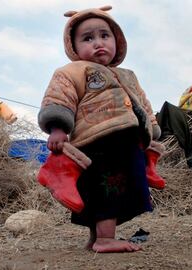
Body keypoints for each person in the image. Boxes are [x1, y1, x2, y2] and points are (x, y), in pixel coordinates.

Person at [37, 6, 163, 253]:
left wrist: (152, 128)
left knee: (118, 187)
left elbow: (142, 103)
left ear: (117, 40)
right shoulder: (73, 71)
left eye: (104, 35)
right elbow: (60, 97)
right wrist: (58, 128)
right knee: (108, 187)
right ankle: (105, 239)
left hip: (127, 143)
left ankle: (97, 238)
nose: (98, 43)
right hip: (99, 142)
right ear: (73, 46)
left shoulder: (128, 75)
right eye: (88, 38)